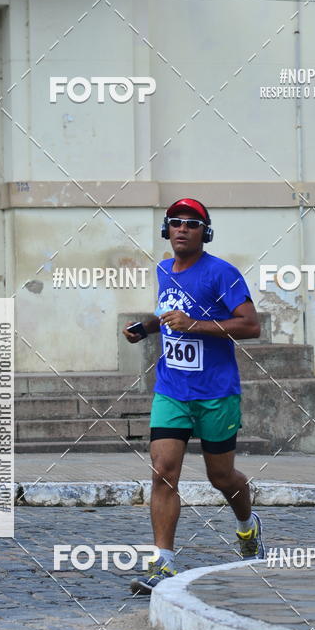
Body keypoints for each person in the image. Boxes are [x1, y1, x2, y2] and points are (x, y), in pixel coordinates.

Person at [122, 197, 265, 594]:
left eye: (192, 223)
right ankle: (162, 564)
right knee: (163, 472)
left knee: (221, 476)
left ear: (205, 232)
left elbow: (251, 326)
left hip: (217, 393)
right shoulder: (164, 270)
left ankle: (247, 527)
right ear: (166, 231)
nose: (182, 229)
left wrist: (195, 325)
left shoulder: (223, 273)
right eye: (175, 223)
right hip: (172, 390)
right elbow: (170, 315)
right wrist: (147, 328)